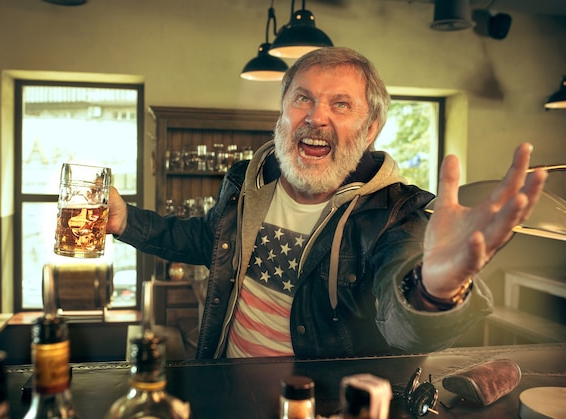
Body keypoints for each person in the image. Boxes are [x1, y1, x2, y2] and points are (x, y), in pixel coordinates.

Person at [106, 47, 547, 359]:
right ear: (282, 109)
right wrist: (125, 220)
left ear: (371, 127)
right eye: (303, 99)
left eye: (340, 104)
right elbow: (202, 239)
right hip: (225, 380)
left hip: (321, 405)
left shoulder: (397, 214)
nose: (316, 117)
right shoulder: (248, 180)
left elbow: (399, 326)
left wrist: (432, 291)